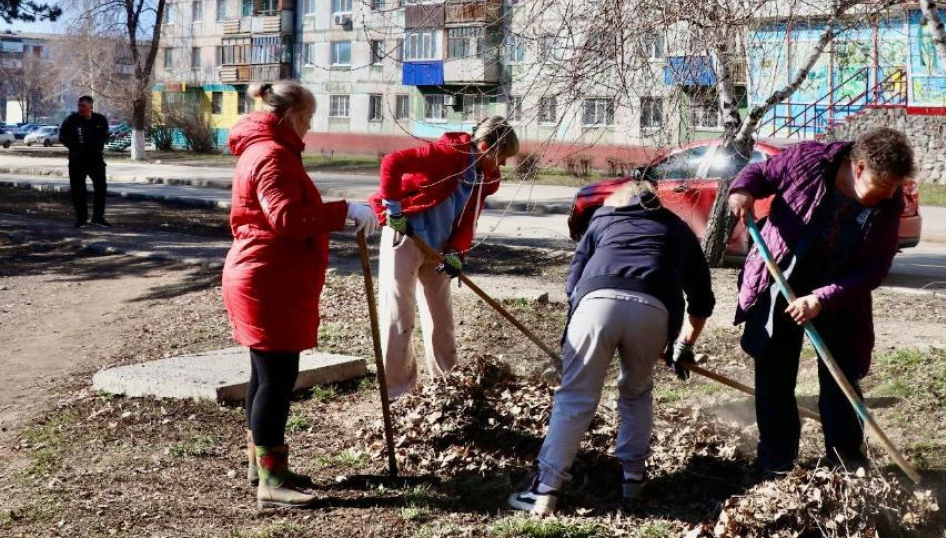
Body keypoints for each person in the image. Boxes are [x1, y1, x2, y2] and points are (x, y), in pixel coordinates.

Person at [508, 181, 715, 516]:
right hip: (653, 309)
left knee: (575, 396)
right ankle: (633, 480)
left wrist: (578, 335)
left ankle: (545, 490)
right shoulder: (679, 229)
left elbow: (572, 283)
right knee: (636, 392)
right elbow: (702, 300)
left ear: (619, 201)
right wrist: (684, 345)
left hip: (596, 303)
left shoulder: (603, 220)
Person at [221, 81, 378, 509]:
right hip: (268, 279)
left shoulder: (267, 149)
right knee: (276, 378)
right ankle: (270, 483)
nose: (309, 129)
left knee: (264, 375)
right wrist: (342, 212)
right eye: (307, 119)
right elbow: (288, 218)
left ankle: (263, 466)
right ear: (290, 116)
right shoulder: (271, 155)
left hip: (266, 275)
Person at [726, 127, 915, 475]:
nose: (889, 195)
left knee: (840, 380)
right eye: (883, 186)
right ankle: (776, 465)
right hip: (779, 283)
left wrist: (822, 299)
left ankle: (847, 467)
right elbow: (759, 173)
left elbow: (873, 270)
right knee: (775, 379)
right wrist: (742, 191)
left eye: (894, 188)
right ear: (858, 168)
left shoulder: (888, 206)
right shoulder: (808, 160)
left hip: (838, 300)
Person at [369, 115, 519, 398]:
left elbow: (466, 222)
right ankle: (397, 389)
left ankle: (447, 382)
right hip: (406, 233)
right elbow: (392, 162)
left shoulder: (486, 178)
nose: (502, 165)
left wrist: (456, 254)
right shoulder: (447, 154)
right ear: (486, 146)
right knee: (398, 312)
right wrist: (394, 211)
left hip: (439, 247)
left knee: (441, 314)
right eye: (501, 157)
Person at [60, 95, 110, 228]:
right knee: (78, 190)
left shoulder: (100, 119)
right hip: (77, 161)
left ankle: (98, 217)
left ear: (91, 106)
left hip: (96, 161)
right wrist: (75, 146)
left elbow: (104, 135)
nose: (80, 108)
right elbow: (62, 137)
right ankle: (81, 219)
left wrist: (100, 144)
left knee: (101, 188)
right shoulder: (72, 120)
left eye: (83, 106)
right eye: (79, 106)